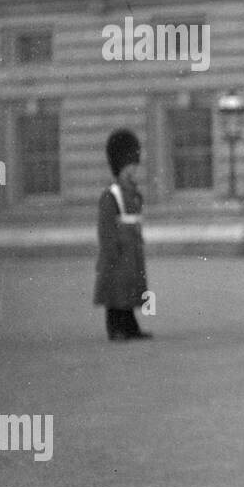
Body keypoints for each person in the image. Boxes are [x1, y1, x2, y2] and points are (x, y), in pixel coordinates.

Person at [94, 129, 152, 341]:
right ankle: (115, 328)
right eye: (128, 167)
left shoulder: (134, 192)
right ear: (119, 167)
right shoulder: (111, 195)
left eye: (134, 166)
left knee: (130, 290)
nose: (132, 171)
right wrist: (111, 250)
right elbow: (106, 227)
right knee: (115, 292)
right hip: (117, 251)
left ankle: (130, 326)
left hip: (132, 250)